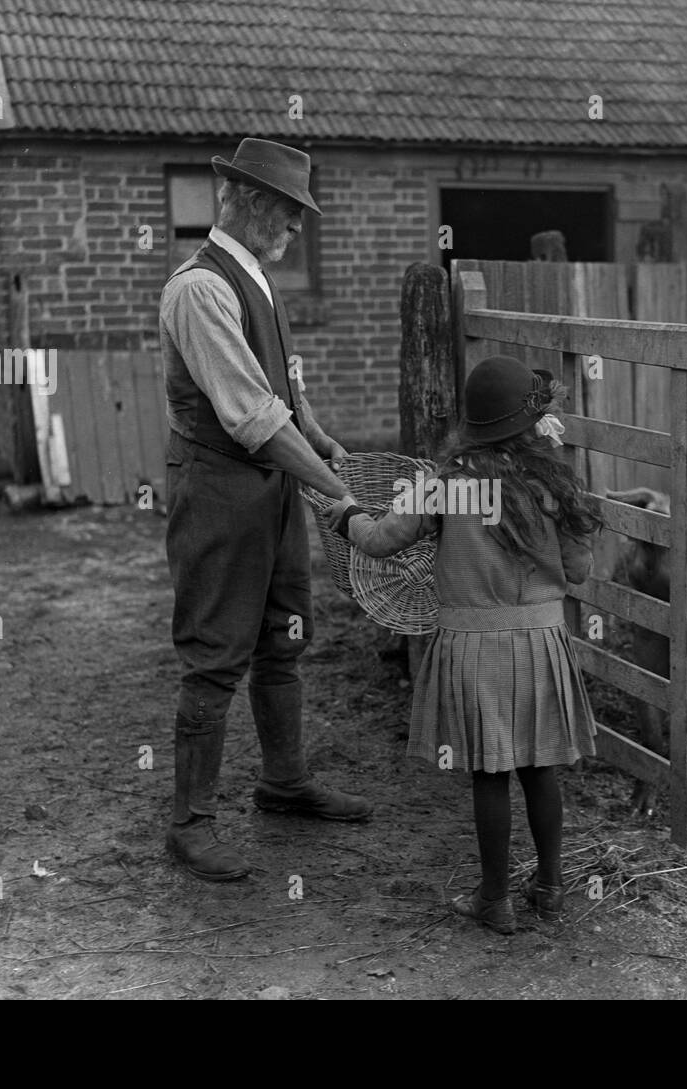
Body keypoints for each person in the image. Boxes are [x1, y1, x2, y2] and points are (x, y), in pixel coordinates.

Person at [326, 355, 601, 931]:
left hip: (475, 647)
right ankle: (550, 890)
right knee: (541, 767)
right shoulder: (551, 484)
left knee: (490, 774)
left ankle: (494, 900)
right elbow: (579, 570)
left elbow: (378, 541)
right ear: (530, 426)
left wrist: (344, 514)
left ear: (474, 427)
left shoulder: (446, 487)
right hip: (542, 640)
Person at [160, 138, 371, 883]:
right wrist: (337, 497)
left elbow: (283, 387)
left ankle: (284, 781)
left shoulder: (256, 277)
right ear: (247, 200)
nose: (294, 227)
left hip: (269, 486)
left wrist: (316, 433)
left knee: (284, 636)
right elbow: (250, 414)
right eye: (287, 211)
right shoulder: (200, 290)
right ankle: (191, 824)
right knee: (215, 653)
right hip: (218, 488)